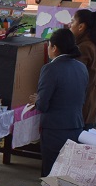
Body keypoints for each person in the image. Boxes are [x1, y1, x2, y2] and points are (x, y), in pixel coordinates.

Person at [32, 28, 88, 176]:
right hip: (77, 127)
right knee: (69, 174)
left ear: (54, 48)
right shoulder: (81, 67)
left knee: (51, 174)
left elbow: (43, 105)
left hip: (55, 130)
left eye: (49, 45)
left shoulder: (50, 69)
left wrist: (37, 100)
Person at [70, 9, 96, 128]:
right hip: (89, 100)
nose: (70, 25)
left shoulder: (84, 47)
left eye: (72, 22)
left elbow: (75, 75)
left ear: (81, 26)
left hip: (85, 103)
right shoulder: (89, 43)